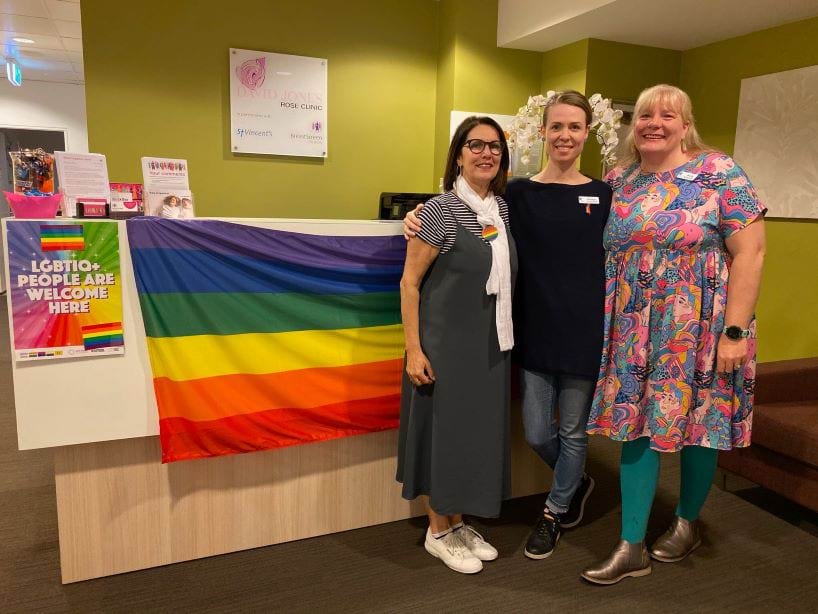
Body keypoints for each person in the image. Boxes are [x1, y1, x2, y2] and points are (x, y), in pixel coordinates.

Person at [404, 91, 613, 562]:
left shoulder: (603, 194)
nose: (564, 135)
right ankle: (569, 482)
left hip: (581, 330)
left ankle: (555, 508)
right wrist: (416, 215)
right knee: (538, 432)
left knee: (573, 432)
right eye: (556, 126)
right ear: (541, 133)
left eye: (574, 127)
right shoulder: (515, 195)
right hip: (529, 332)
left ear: (586, 134)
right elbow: (438, 239)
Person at [580, 84, 766, 585]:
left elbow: (750, 253)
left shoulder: (718, 171)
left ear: (686, 125)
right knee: (633, 423)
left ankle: (686, 523)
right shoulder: (619, 179)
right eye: (644, 115)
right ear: (632, 125)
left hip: (702, 326)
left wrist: (734, 332)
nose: (653, 123)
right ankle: (631, 543)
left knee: (699, 426)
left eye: (667, 115)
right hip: (633, 327)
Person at [396, 116, 517, 575]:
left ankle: (458, 521)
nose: (486, 153)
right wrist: (415, 349)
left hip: (489, 344)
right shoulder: (438, 212)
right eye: (476, 145)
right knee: (442, 436)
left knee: (471, 437)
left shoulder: (500, 211)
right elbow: (409, 285)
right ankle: (437, 529)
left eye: (495, 146)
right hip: (443, 346)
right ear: (459, 154)